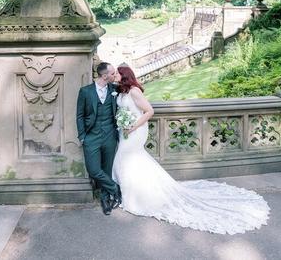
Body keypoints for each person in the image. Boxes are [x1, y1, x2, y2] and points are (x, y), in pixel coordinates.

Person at [112, 65, 270, 235]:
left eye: (116, 73)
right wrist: (124, 124)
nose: (114, 75)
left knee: (127, 157)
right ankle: (135, 194)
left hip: (136, 131)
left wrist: (133, 126)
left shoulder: (134, 91)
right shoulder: (121, 91)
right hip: (125, 130)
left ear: (124, 75)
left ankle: (137, 197)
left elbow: (150, 111)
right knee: (131, 161)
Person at [76, 62, 122, 215]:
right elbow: (80, 116)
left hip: (110, 135)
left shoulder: (115, 89)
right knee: (94, 170)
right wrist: (82, 136)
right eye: (112, 73)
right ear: (104, 75)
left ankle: (105, 199)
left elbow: (133, 89)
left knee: (106, 169)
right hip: (91, 137)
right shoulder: (85, 91)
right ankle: (115, 188)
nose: (114, 75)